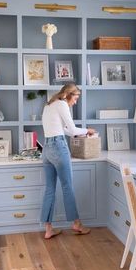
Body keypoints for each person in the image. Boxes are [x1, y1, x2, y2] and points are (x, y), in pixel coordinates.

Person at [41, 83, 95, 239]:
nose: (75, 102)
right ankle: (77, 224)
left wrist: (77, 134)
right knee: (67, 187)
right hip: (59, 147)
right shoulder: (63, 104)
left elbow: (61, 129)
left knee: (50, 189)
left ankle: (48, 228)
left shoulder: (49, 104)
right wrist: (87, 130)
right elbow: (72, 130)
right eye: (76, 98)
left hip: (47, 149)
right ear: (69, 95)